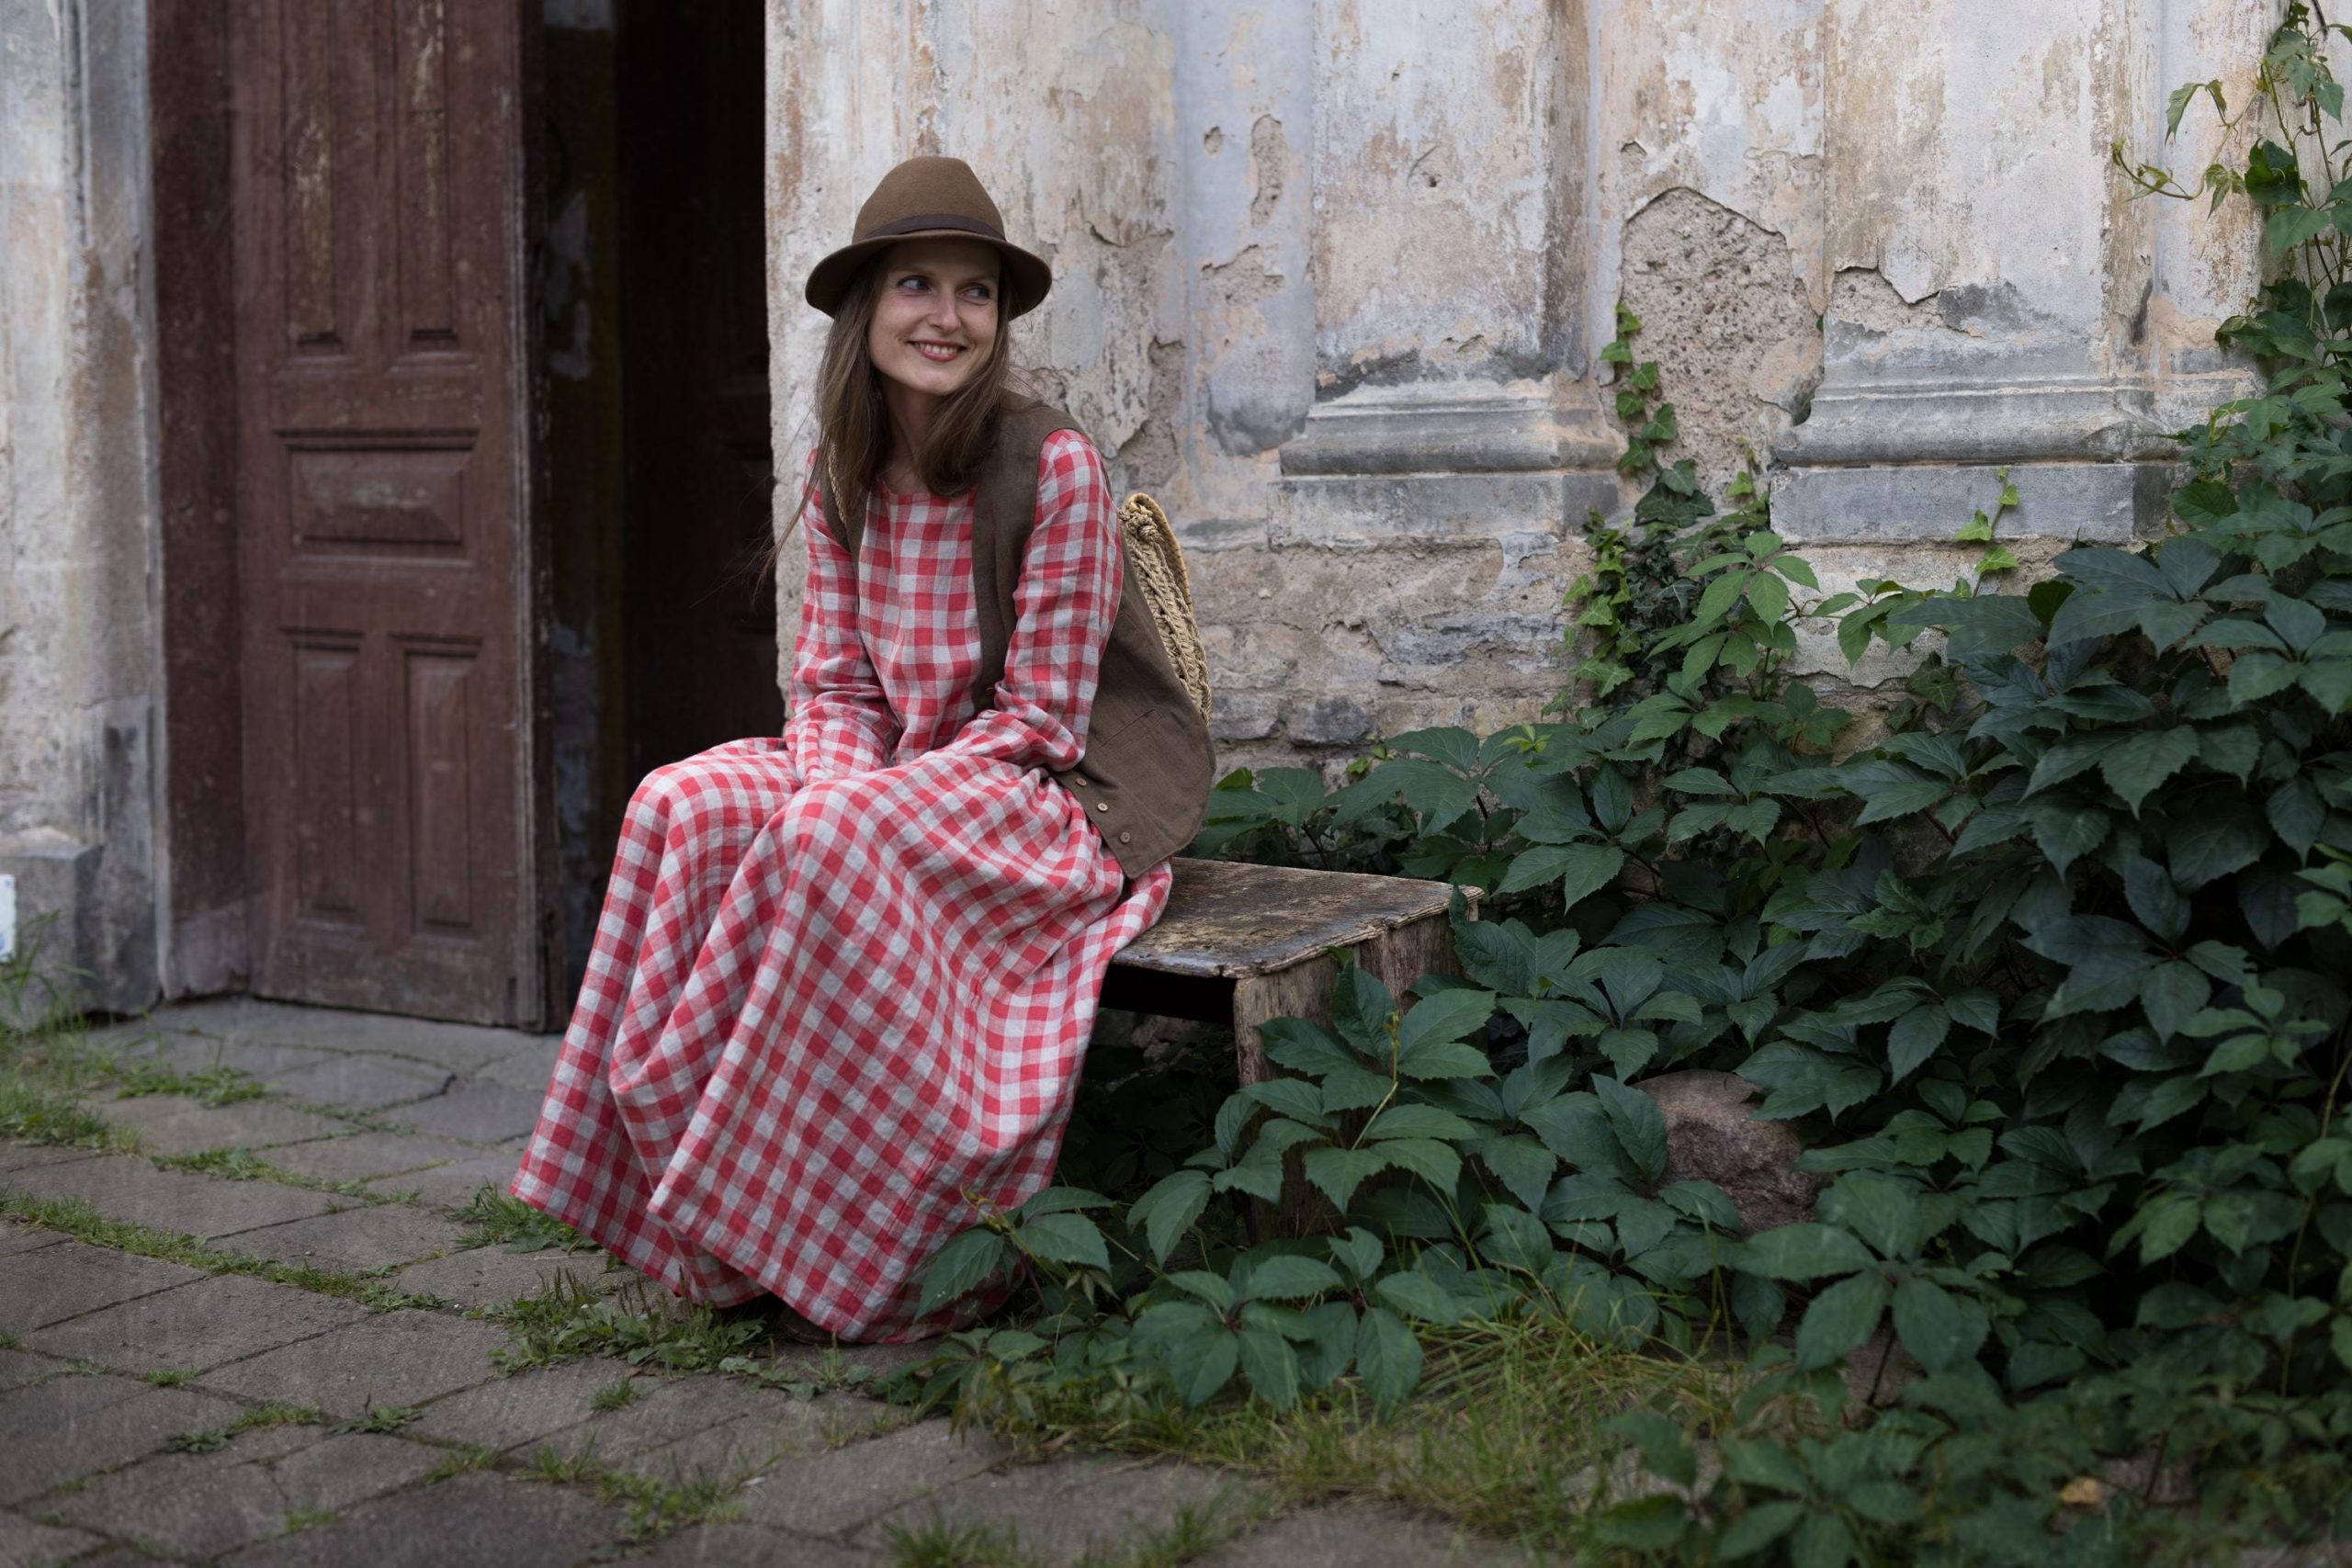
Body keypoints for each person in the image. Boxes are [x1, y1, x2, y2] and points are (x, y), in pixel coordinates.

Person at [511, 156, 1213, 1342]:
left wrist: (862, 807)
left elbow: (1042, 717)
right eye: (918, 286)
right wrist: (844, 785)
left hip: (1044, 790)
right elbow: (834, 681)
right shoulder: (843, 464)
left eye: (976, 293)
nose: (948, 317)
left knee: (831, 830)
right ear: (865, 309)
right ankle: (693, 1204)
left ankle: (862, 1241)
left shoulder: (1053, 466)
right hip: (897, 773)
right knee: (680, 800)